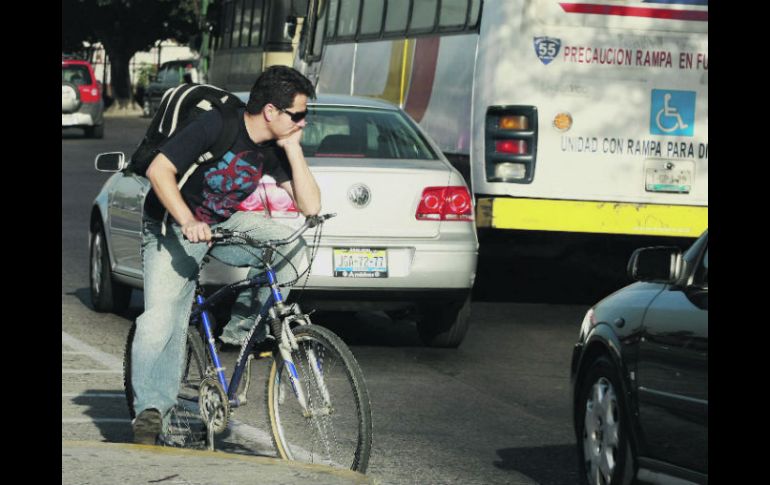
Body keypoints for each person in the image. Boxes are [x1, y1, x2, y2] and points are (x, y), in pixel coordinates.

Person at [130, 66, 320, 445]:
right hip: (173, 224)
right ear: (271, 111)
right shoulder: (218, 125)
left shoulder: (275, 146)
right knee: (162, 318)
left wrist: (294, 150)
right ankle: (150, 412)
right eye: (297, 115)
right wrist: (187, 219)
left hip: (223, 223)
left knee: (292, 246)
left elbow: (311, 206)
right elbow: (158, 170)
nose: (303, 122)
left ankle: (242, 331)